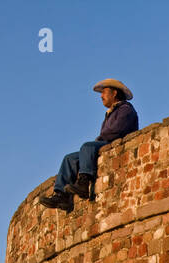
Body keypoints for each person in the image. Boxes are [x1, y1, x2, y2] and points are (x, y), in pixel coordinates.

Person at [39, 79, 139, 211]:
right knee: (69, 159)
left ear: (114, 93)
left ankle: (84, 183)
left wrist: (99, 140)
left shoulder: (125, 110)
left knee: (88, 147)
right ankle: (61, 195)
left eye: (104, 92)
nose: (101, 96)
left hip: (115, 143)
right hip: (106, 142)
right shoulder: (111, 113)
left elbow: (116, 131)